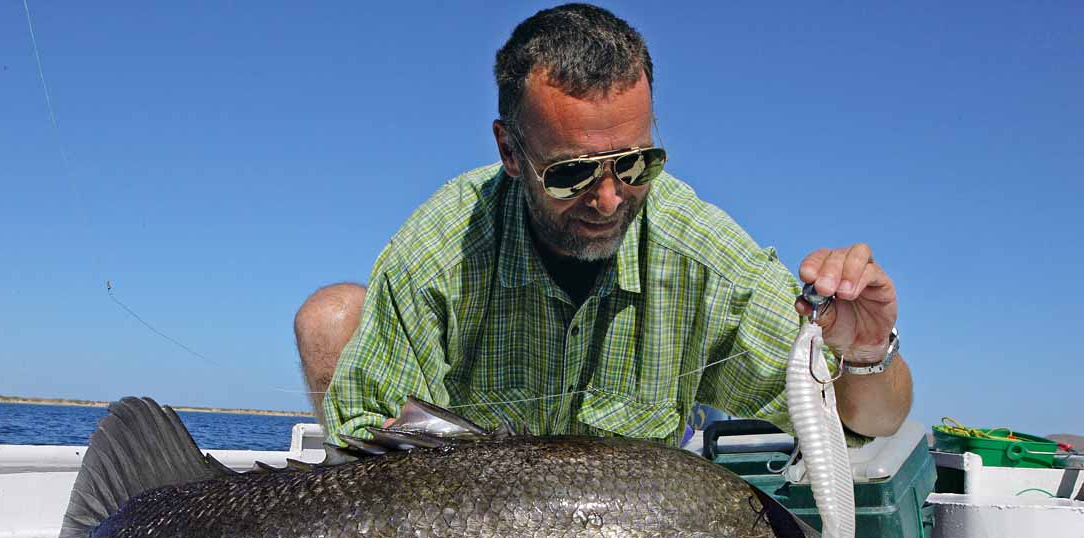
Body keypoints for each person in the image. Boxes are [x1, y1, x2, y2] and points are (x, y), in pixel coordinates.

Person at [295, 3, 911, 444]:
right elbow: (363, 453)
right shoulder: (438, 253)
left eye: (638, 164)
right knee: (333, 313)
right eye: (572, 175)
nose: (612, 199)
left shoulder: (704, 256)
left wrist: (864, 356)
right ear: (511, 152)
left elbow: (865, 423)